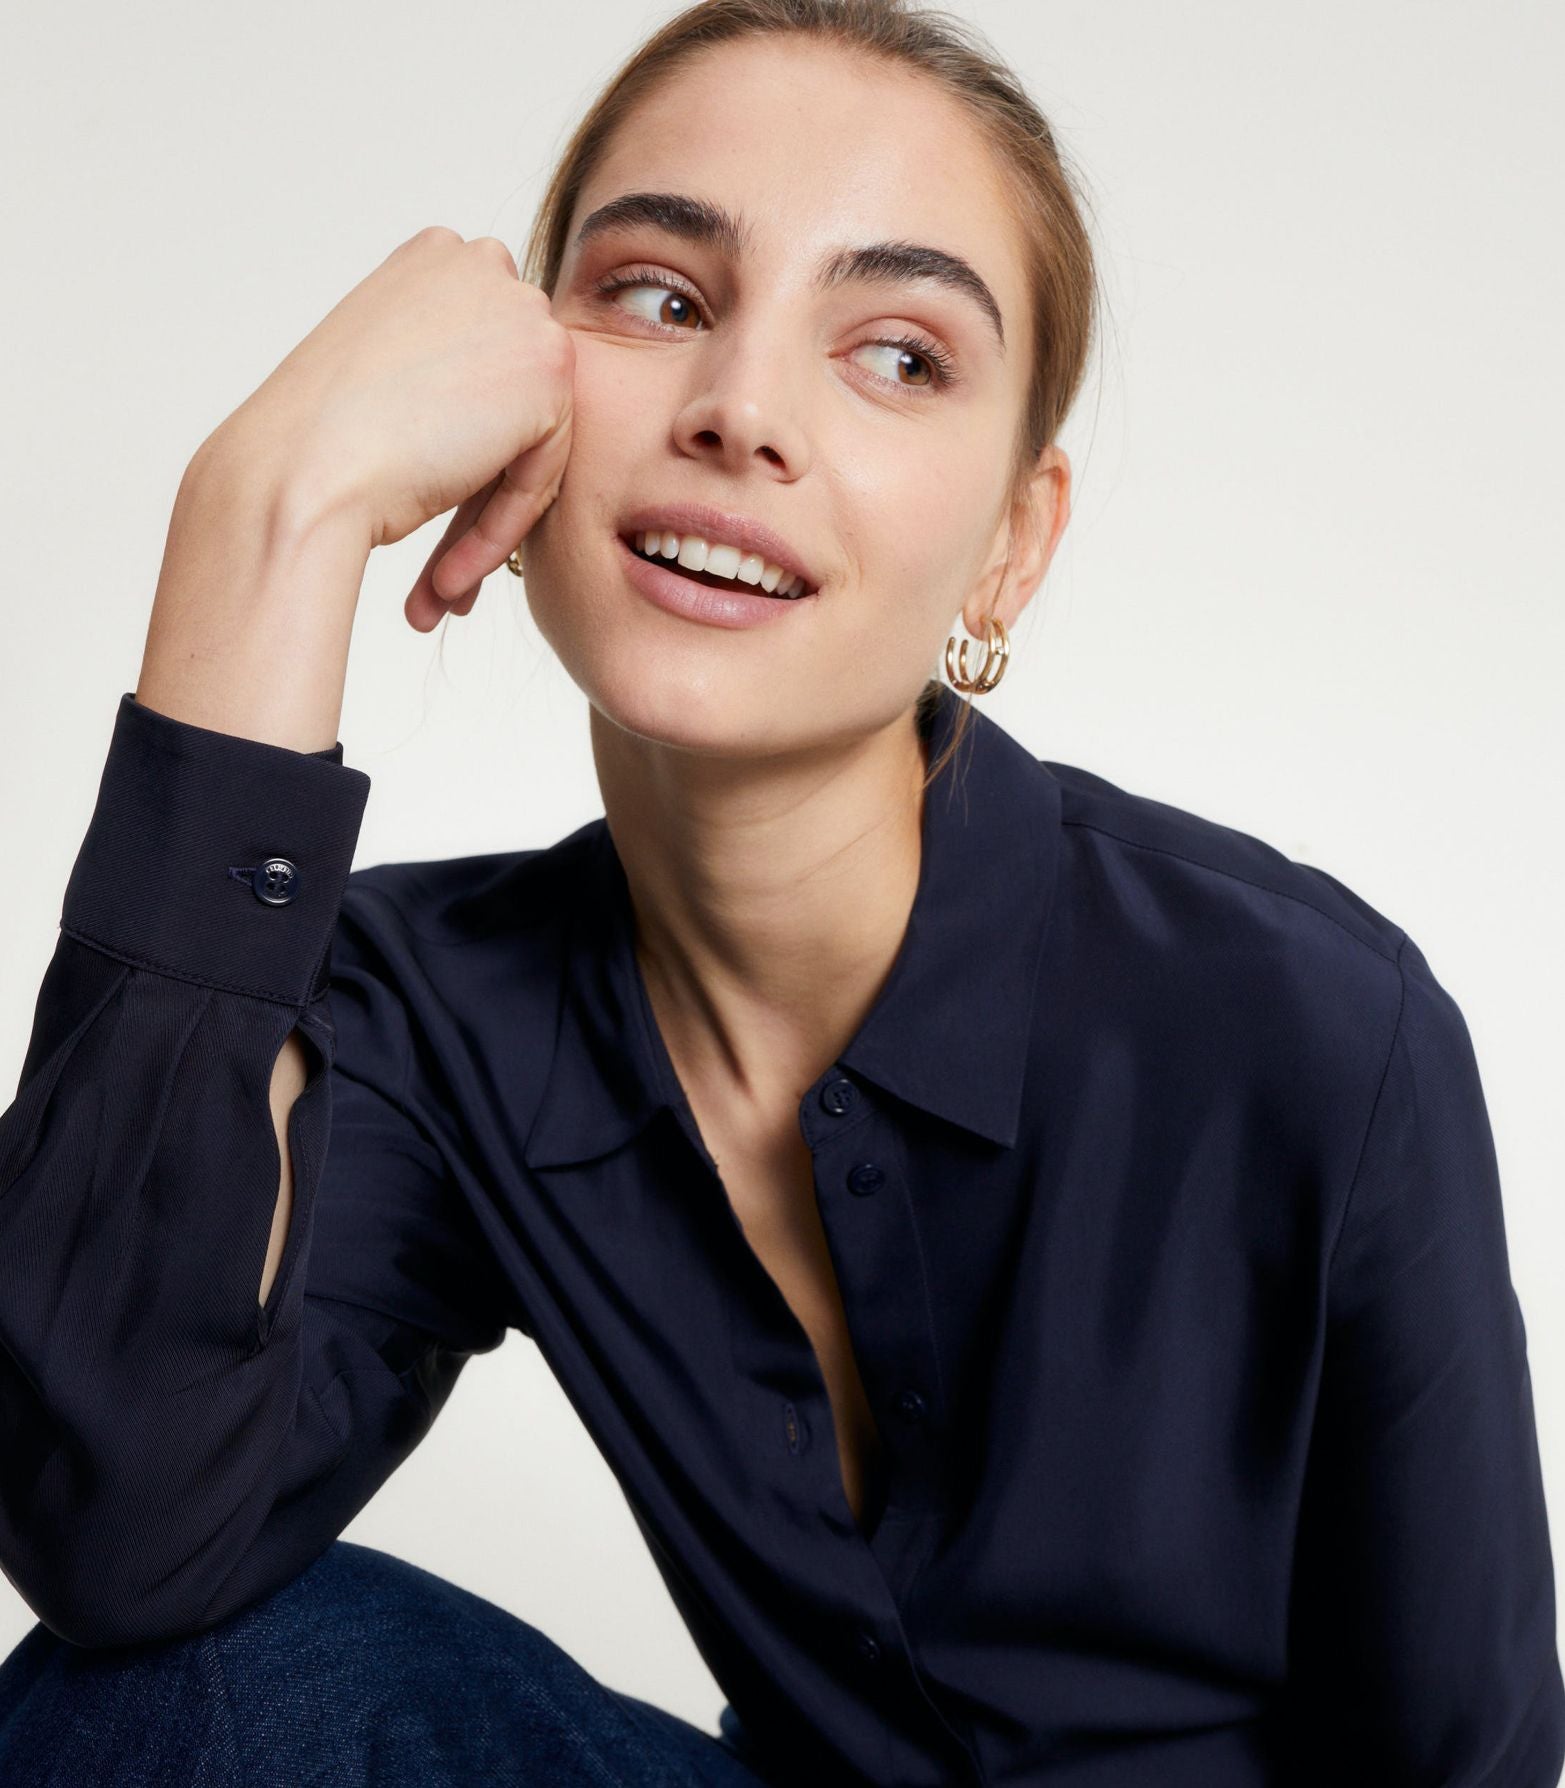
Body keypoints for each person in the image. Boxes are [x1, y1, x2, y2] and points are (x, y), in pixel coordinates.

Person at [1, 0, 1561, 1783]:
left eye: (896, 353)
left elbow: (1466, 1759)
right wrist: (264, 515)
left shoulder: (1310, 1025)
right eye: (660, 299)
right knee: (181, 1686)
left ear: (1011, 543)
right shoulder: (432, 1014)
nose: (741, 411)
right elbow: (119, 1530)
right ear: (513, 403)